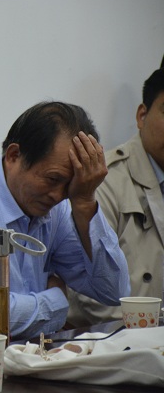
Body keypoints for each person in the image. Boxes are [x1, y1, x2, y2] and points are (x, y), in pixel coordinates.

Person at [0, 101, 131, 341]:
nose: (59, 195)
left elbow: (114, 292)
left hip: (34, 356)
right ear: (14, 155)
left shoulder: (58, 207)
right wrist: (56, 301)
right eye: (52, 179)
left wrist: (85, 201)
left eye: (70, 185)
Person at [68, 67, 164, 326]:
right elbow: (94, 295)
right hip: (112, 339)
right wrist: (148, 337)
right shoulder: (102, 179)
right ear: (142, 115)